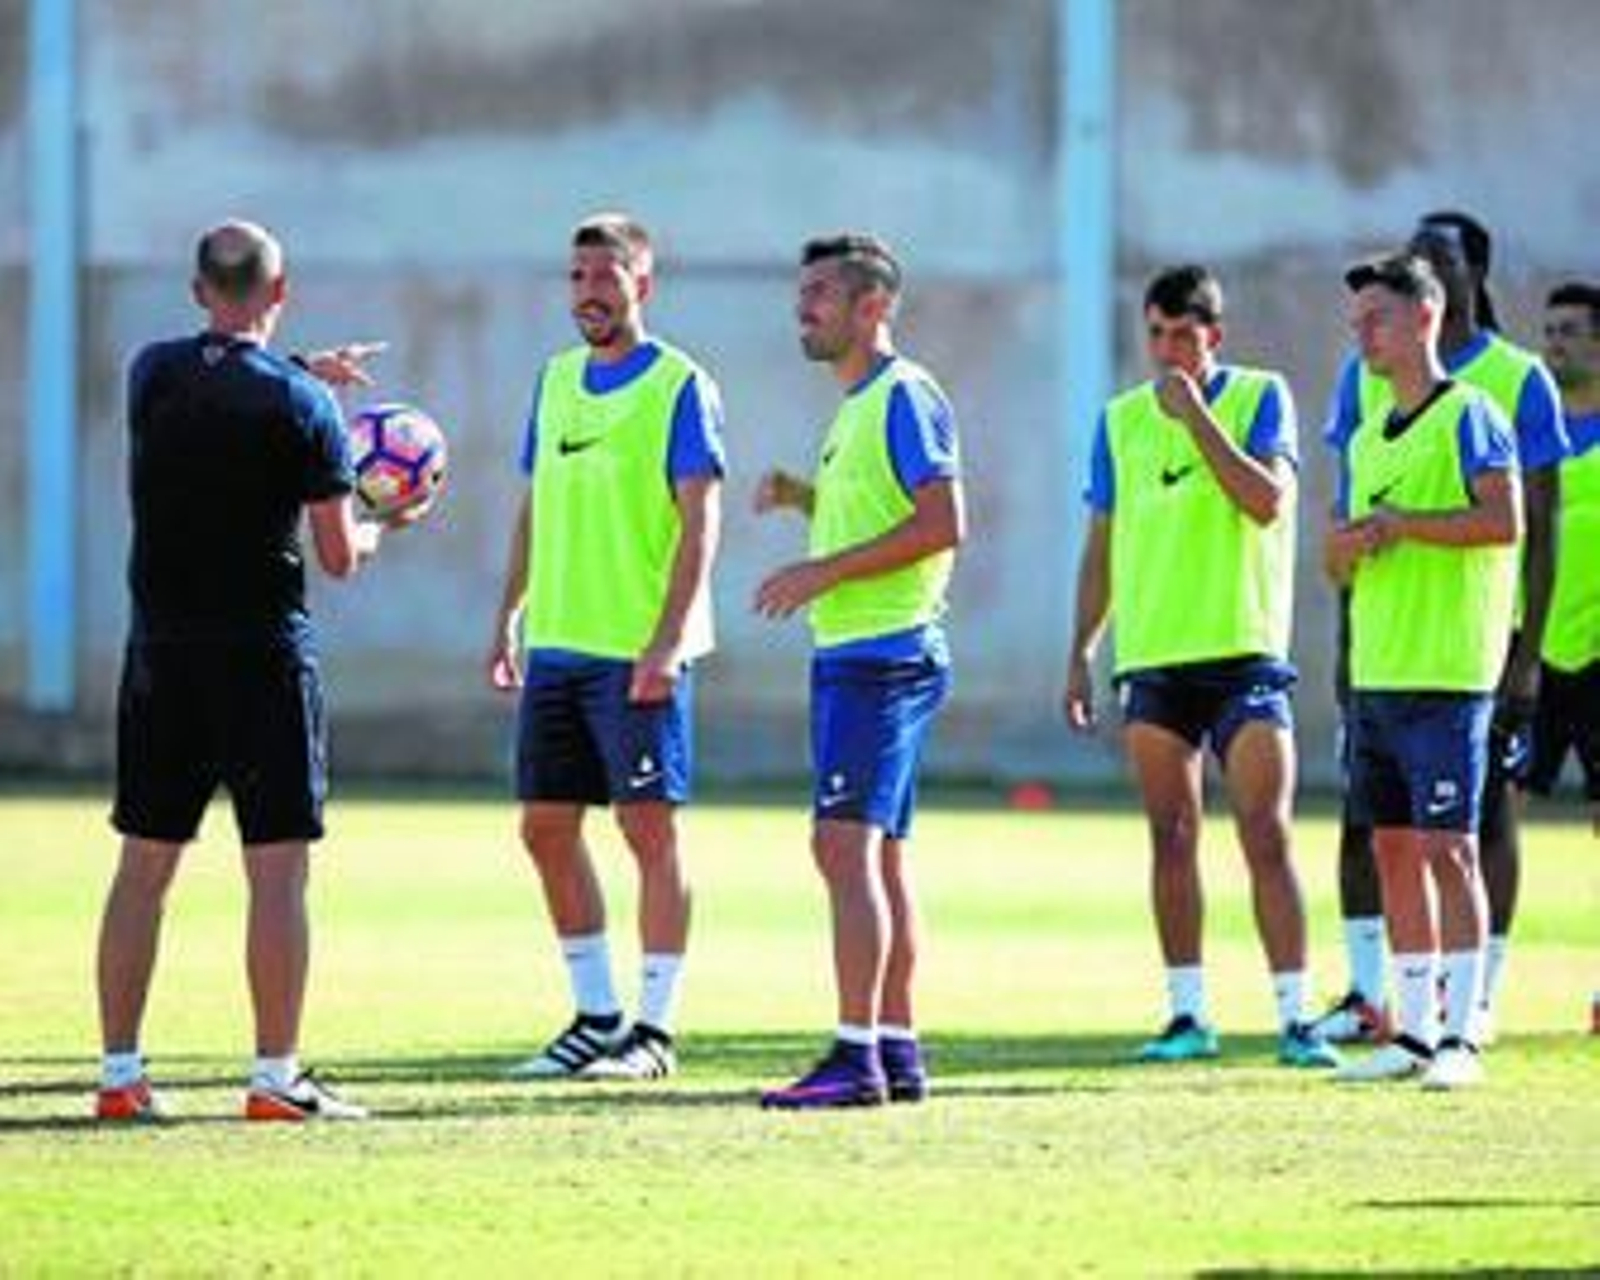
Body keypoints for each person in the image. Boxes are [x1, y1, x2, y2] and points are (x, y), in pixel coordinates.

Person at [95, 218, 397, 1123]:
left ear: (198, 291)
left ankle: (119, 1077)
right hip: (263, 659)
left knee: (143, 868)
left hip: (160, 655)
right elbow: (339, 557)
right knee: (276, 874)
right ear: (281, 291)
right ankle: (274, 1079)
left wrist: (299, 368)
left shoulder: (151, 372)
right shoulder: (307, 408)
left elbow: (220, 377)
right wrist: (387, 522)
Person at [1063, 265, 1339, 1070]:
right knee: (1171, 835)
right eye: (1156, 333)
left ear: (1214, 335)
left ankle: (1296, 1018)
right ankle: (1188, 1014)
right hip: (1154, 658)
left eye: (1183, 334)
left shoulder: (1261, 397)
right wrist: (1081, 651)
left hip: (1244, 654)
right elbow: (1101, 548)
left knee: (1266, 832)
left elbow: (1267, 501)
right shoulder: (1118, 422)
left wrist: (1196, 420)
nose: (1167, 350)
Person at [1316, 212, 1567, 1046]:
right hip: (1380, 673)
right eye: (1357, 322)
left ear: (1425, 317)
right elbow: (1338, 561)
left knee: (1449, 850)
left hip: (1450, 673)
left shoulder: (1474, 414)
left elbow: (1506, 522)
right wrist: (1344, 548)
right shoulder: (1365, 434)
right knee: (1392, 851)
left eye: (1377, 319)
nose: (1363, 336)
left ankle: (1460, 1034)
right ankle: (1414, 1032)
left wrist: (1403, 526)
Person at [486, 213, 724, 1081]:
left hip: (636, 650)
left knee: (647, 830)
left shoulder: (680, 384)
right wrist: (509, 614)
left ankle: (654, 1033)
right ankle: (595, 1017)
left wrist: (667, 641)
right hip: (558, 644)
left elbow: (702, 521)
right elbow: (536, 506)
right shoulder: (554, 381)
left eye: (605, 276)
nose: (588, 292)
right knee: (545, 828)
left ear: (641, 285)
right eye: (577, 276)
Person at [753, 233, 963, 1109]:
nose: (803, 307)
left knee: (841, 848)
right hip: (860, 655)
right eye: (802, 291)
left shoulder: (904, 395)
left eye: (821, 293)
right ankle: (896, 1049)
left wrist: (820, 572)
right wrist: (803, 500)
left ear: (873, 307)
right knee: (877, 859)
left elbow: (943, 523)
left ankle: (855, 1058)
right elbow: (882, 515)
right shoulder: (859, 406)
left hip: (883, 657)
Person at [1526, 282, 1600, 832]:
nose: (1554, 343)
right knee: (1498, 812)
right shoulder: (1526, 433)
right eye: (1549, 332)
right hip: (1534, 655)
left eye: (1569, 331)